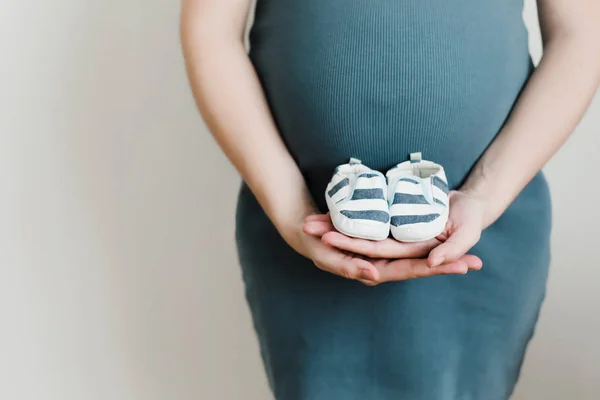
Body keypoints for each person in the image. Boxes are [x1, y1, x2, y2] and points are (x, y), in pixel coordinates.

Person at [181, 0, 600, 398]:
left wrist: (486, 195)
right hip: (300, 229)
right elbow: (211, 29)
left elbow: (579, 33)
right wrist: (290, 206)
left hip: (491, 227)